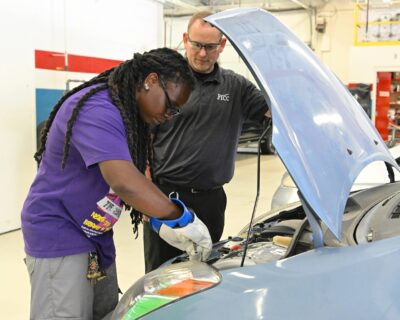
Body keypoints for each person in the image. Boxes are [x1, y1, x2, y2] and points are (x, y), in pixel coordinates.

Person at [21, 47, 212, 320]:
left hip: (95, 236)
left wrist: (156, 218)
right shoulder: (96, 108)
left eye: (175, 112)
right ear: (151, 81)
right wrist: (180, 217)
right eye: (170, 106)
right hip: (60, 234)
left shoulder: (127, 114)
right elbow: (125, 182)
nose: (168, 116)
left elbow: (132, 181)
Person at [143, 12, 270, 272]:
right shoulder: (163, 83)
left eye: (210, 47)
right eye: (196, 45)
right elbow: (142, 136)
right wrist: (144, 191)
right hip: (165, 195)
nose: (202, 54)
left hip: (211, 201)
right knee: (161, 275)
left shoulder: (236, 87)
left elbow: (273, 112)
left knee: (204, 274)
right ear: (185, 40)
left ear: (222, 45)